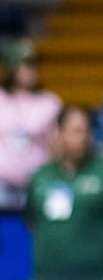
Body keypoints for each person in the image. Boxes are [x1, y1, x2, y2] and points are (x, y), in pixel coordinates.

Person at [24, 104, 103, 280]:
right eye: (75, 131)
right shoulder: (41, 176)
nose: (81, 138)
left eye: (86, 131)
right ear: (60, 133)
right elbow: (30, 219)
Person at [0, 40, 63, 194]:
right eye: (27, 64)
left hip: (36, 183)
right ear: (12, 67)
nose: (32, 70)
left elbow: (57, 146)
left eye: (35, 64)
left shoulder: (50, 102)